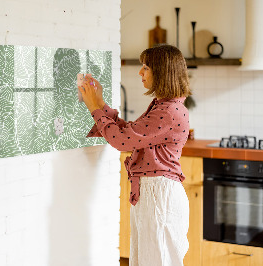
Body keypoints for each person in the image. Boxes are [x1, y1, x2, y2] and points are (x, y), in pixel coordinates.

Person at [79, 44, 191, 266]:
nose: (140, 72)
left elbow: (122, 141)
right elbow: (130, 133)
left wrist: (94, 107)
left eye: (146, 67)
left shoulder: (168, 111)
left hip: (159, 195)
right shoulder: (164, 106)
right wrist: (100, 103)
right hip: (154, 193)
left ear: (162, 72)